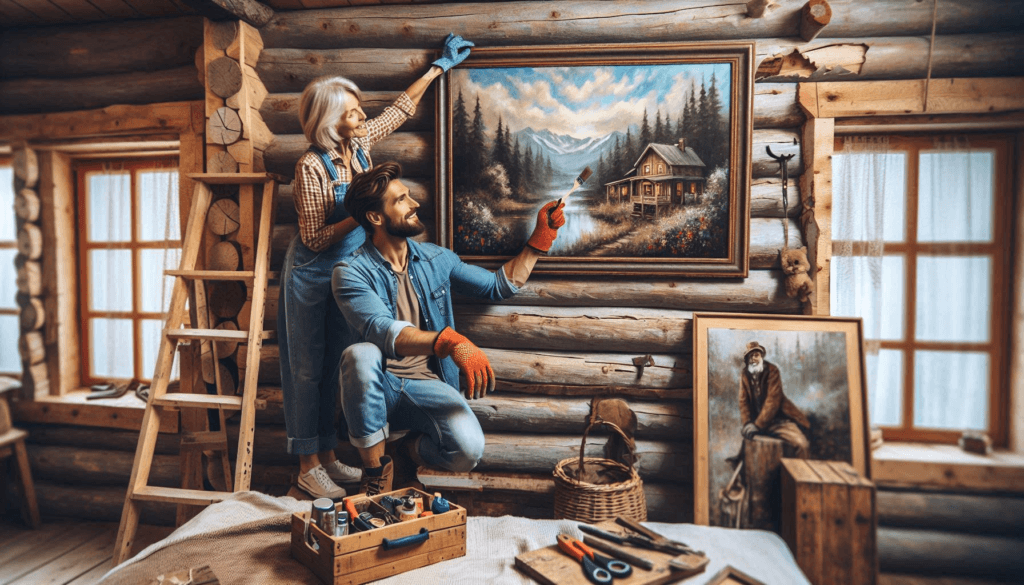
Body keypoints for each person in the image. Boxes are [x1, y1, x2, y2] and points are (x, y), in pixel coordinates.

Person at [279, 34, 475, 500]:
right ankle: (308, 465)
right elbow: (313, 237)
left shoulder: (361, 144)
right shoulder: (310, 167)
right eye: (352, 111)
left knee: (339, 365)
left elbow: (397, 111)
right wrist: (364, 208)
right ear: (330, 120)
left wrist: (437, 69)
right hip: (311, 273)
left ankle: (329, 456)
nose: (362, 116)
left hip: (350, 268)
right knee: (306, 369)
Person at [332, 162, 566, 495]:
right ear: (375, 217)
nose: (414, 204)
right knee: (360, 354)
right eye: (401, 200)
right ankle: (375, 475)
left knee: (468, 450)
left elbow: (496, 286)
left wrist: (542, 237)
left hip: (428, 384)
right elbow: (382, 330)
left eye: (410, 196)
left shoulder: (436, 258)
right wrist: (450, 341)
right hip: (379, 385)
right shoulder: (350, 271)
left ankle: (407, 452)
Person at [738, 341, 810, 458]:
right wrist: (747, 423)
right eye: (750, 356)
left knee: (802, 445)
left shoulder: (772, 370)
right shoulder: (745, 374)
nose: (753, 359)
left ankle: (800, 475)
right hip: (757, 424)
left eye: (756, 355)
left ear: (761, 356)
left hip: (779, 422)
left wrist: (757, 425)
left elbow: (773, 401)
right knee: (747, 454)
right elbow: (743, 401)